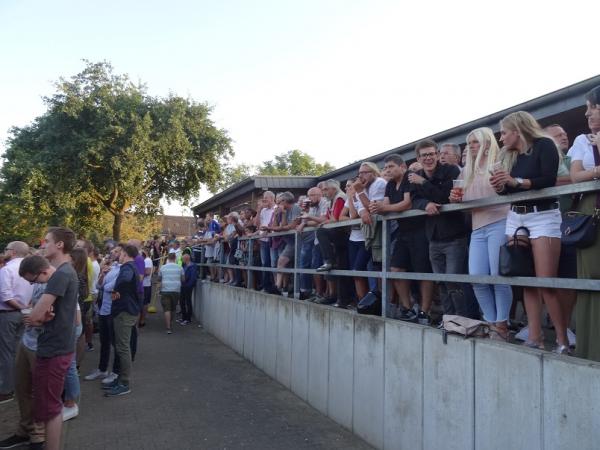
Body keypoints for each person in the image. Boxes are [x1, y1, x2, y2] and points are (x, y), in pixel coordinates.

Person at [490, 111, 566, 352]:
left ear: (517, 130)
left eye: (503, 132)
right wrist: (501, 186)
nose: (501, 138)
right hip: (516, 217)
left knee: (545, 282)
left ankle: (563, 342)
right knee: (524, 279)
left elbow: (548, 178)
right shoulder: (508, 155)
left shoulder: (545, 145)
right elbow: (508, 190)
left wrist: (516, 181)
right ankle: (535, 337)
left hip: (544, 216)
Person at [449, 128, 512, 339]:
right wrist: (455, 200)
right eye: (469, 143)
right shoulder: (467, 170)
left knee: (498, 276)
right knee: (477, 278)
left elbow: (508, 191)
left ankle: (502, 325)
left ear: (487, 142)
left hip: (500, 221)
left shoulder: (500, 161)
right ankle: (492, 321)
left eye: (476, 142)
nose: (472, 146)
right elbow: (464, 204)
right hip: (477, 227)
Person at [26, 227, 78, 450]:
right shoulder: (66, 272)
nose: (42, 244)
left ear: (59, 245)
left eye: (46, 241)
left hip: (55, 348)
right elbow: (45, 314)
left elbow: (36, 315)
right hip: (57, 345)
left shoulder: (61, 274)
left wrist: (36, 318)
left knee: (51, 409)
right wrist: (39, 317)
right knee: (50, 407)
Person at [410, 140, 475, 318]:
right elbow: (414, 200)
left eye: (431, 154)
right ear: (418, 158)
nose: (428, 158)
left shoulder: (451, 170)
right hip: (433, 237)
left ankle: (462, 320)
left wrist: (423, 183)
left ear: (437, 155)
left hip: (454, 235)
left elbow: (446, 197)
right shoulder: (416, 176)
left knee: (454, 281)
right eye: (424, 155)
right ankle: (448, 319)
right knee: (441, 282)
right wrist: (426, 204)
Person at [370, 154, 434, 324]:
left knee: (423, 272)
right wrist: (377, 207)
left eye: (391, 166)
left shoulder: (409, 179)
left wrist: (385, 207)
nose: (387, 170)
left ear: (402, 167)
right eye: (385, 168)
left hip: (420, 230)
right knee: (396, 269)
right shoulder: (390, 184)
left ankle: (424, 312)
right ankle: (407, 307)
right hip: (403, 232)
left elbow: (407, 204)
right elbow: (384, 206)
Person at [0, 255, 47, 450]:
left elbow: (72, 319)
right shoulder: (39, 282)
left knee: (38, 390)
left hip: (41, 344)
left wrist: (38, 318)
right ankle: (24, 429)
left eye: (31, 279)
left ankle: (37, 435)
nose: (28, 283)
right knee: (23, 388)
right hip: (28, 340)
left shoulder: (56, 281)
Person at [568, 85, 600, 360]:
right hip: (593, 209)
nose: (587, 113)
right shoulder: (582, 140)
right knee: (591, 275)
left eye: (592, 107)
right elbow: (575, 176)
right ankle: (591, 348)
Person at [104, 244, 141, 397]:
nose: (118, 255)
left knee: (123, 347)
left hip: (125, 312)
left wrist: (116, 290)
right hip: (127, 310)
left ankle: (124, 383)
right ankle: (120, 379)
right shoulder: (132, 266)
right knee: (121, 346)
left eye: (120, 253)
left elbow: (125, 279)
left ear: (125, 254)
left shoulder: (127, 267)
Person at [0, 241, 33, 405]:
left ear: (12, 252)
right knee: (20, 351)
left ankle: (6, 390)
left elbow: (5, 295)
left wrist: (20, 307)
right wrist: (27, 308)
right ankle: (18, 385)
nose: (4, 252)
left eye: (5, 249)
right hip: (25, 314)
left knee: (6, 352)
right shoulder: (30, 267)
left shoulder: (7, 270)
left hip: (9, 314)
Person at [84, 246, 121, 386]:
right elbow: (100, 286)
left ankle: (116, 372)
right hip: (104, 309)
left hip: (113, 310)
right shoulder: (111, 267)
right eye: (113, 251)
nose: (113, 253)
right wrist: (103, 275)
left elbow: (110, 287)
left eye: (117, 252)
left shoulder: (123, 269)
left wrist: (105, 284)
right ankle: (102, 369)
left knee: (115, 343)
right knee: (104, 341)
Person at [296, 187, 328, 300]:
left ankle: (327, 294)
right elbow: (309, 220)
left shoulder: (324, 202)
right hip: (317, 240)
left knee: (327, 267)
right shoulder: (312, 206)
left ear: (320, 194)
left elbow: (323, 219)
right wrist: (305, 212)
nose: (309, 198)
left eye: (312, 195)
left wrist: (307, 220)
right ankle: (318, 294)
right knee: (316, 266)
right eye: (308, 196)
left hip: (327, 240)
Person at [268, 192, 302, 295]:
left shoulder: (295, 208)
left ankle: (298, 289)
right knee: (282, 262)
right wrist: (277, 214)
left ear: (284, 201)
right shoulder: (283, 211)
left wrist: (273, 228)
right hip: (290, 242)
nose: (277, 205)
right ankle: (278, 287)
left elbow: (290, 226)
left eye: (278, 203)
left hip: (299, 240)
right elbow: (277, 227)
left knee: (296, 264)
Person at [255, 191, 276, 292]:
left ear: (272, 198)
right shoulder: (263, 210)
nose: (264, 200)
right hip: (263, 239)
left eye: (266, 198)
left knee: (273, 262)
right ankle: (265, 285)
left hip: (273, 238)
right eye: (263, 198)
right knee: (264, 263)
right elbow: (257, 224)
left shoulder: (276, 209)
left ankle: (275, 285)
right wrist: (259, 211)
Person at [158, 252, 184, 334]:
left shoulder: (163, 267)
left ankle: (168, 327)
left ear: (168, 259)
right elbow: (183, 279)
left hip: (165, 290)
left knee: (166, 309)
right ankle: (170, 322)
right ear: (175, 258)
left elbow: (159, 279)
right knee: (173, 308)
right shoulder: (180, 268)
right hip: (176, 290)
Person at [180, 253, 198, 324]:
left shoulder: (192, 266)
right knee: (182, 301)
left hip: (188, 286)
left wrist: (189, 285)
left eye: (182, 259)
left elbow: (193, 277)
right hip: (183, 285)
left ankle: (188, 319)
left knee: (188, 302)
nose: (182, 260)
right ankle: (184, 317)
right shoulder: (185, 265)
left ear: (186, 259)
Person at [139, 250, 153, 327]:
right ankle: (141, 319)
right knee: (143, 303)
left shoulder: (147, 260)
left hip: (145, 285)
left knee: (144, 303)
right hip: (144, 284)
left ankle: (142, 320)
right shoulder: (146, 260)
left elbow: (147, 272)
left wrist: (138, 275)